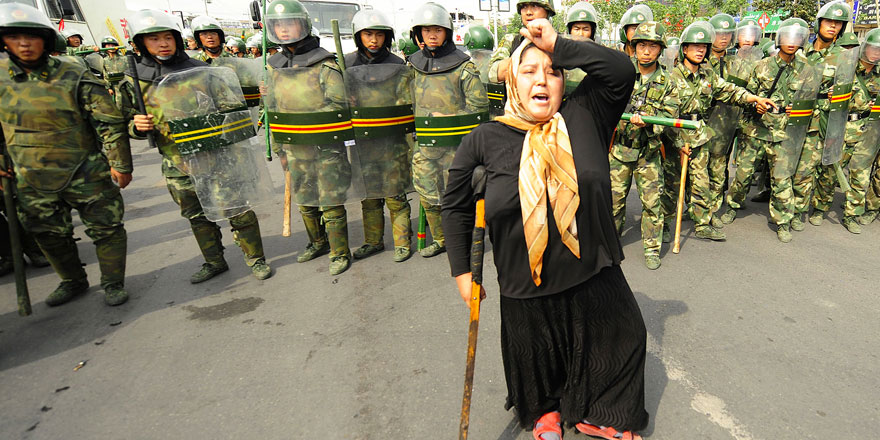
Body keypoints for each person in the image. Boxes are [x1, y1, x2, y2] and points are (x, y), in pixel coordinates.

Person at [442, 18, 647, 440]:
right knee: (536, 354)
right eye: (530, 70)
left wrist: (558, 44)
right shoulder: (485, 138)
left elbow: (622, 71)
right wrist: (463, 272)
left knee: (623, 337)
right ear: (512, 80)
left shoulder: (585, 115)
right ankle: (545, 412)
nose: (543, 80)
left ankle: (598, 411)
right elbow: (456, 206)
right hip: (525, 277)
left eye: (553, 71)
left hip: (591, 264)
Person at [122, 9, 272, 282]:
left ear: (178, 39)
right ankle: (214, 261)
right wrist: (137, 126)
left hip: (216, 155)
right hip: (176, 160)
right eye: (154, 39)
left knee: (237, 208)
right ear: (140, 43)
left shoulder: (201, 71)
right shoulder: (135, 80)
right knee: (196, 215)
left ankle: (256, 259)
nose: (163, 44)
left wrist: (213, 125)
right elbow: (126, 121)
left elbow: (232, 108)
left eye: (167, 37)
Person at [0, 4, 132, 306]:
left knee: (107, 228)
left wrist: (120, 163)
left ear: (46, 40)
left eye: (32, 37)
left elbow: (108, 122)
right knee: (47, 233)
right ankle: (72, 280)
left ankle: (113, 282)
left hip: (84, 170)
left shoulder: (74, 73)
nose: (24, 44)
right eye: (14, 37)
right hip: (29, 174)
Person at [263, 0, 355, 275]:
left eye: (289, 23)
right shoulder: (273, 66)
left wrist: (309, 121)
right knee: (305, 198)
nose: (283, 29)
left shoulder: (324, 64)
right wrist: (279, 149)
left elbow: (339, 107)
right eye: (278, 24)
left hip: (325, 146)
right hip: (294, 147)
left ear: (302, 24)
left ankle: (339, 251)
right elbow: (272, 110)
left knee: (330, 200)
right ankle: (317, 242)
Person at [667, 21, 777, 241]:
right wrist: (677, 144)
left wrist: (753, 97)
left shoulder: (707, 74)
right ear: (684, 49)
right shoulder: (672, 77)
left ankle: (702, 224)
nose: (700, 51)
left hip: (700, 134)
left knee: (701, 182)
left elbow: (729, 90)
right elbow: (667, 116)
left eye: (703, 47)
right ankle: (663, 227)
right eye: (694, 46)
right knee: (672, 185)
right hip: (677, 135)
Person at [719, 19, 812, 242]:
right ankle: (733, 205)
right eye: (787, 38)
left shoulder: (806, 70)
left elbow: (810, 102)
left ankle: (782, 221)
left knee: (781, 179)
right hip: (756, 130)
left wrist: (798, 108)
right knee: (743, 174)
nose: (791, 43)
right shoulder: (761, 66)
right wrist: (756, 104)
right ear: (779, 40)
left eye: (796, 38)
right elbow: (746, 94)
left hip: (784, 133)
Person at [409, 2, 488, 258]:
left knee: (458, 198)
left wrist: (450, 117)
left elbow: (479, 109)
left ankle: (462, 240)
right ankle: (441, 239)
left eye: (438, 30)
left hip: (456, 146)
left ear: (447, 32)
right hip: (424, 146)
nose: (432, 35)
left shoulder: (464, 68)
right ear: (419, 33)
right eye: (427, 29)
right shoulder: (413, 66)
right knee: (428, 195)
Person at [344, 9, 413, 262]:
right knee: (369, 195)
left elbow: (406, 99)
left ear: (388, 37)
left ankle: (402, 242)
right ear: (358, 36)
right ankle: (373, 241)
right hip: (363, 141)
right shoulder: (346, 64)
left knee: (395, 193)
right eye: (368, 34)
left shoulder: (397, 65)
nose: (374, 40)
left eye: (379, 35)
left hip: (391, 140)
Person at [609, 21, 677, 270]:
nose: (646, 51)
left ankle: (651, 248)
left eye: (652, 46)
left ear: (660, 50)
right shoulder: (621, 73)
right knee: (613, 202)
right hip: (619, 151)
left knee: (652, 205)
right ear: (633, 47)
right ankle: (611, 244)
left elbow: (670, 116)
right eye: (641, 45)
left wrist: (648, 123)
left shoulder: (668, 82)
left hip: (648, 154)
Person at [795, 0, 851, 229]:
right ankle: (798, 208)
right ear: (819, 23)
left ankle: (820, 208)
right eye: (829, 21)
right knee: (803, 167)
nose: (833, 27)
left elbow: (851, 88)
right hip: (805, 118)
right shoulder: (801, 53)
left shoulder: (844, 56)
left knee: (828, 168)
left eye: (838, 24)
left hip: (831, 119)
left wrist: (838, 92)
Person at [839, 28, 880, 233]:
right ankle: (819, 206)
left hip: (869, 130)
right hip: (845, 127)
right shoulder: (848, 69)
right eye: (873, 48)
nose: (876, 53)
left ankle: (851, 215)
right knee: (832, 170)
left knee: (860, 174)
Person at [488, 0, 555, 85]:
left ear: (548, 11)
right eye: (524, 7)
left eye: (534, 6)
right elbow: (494, 74)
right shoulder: (511, 40)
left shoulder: (560, 43)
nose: (528, 12)